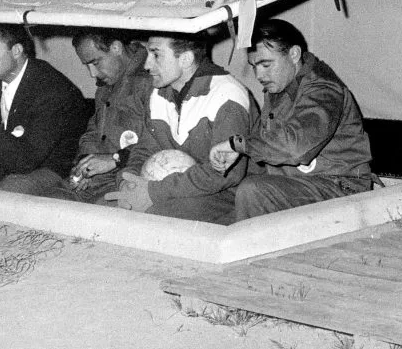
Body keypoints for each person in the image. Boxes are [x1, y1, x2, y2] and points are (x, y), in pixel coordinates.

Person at [208, 20, 372, 221]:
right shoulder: (280, 88)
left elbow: (296, 147)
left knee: (253, 191)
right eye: (254, 67)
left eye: (266, 64)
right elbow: (266, 142)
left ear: (294, 54)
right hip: (301, 185)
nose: (259, 75)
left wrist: (239, 145)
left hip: (342, 188)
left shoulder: (323, 90)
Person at [106, 34, 252, 223]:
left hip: (226, 196)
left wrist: (153, 192)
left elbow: (224, 173)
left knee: (150, 219)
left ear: (186, 59)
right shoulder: (158, 92)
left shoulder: (228, 96)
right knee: (106, 211)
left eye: (156, 54)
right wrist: (130, 181)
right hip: (175, 191)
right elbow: (145, 148)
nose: (146, 65)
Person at [0, 25, 89, 195]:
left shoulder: (51, 90)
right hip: (9, 170)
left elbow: (26, 161)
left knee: (7, 190)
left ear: (16, 51)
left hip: (53, 173)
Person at [51, 30, 152, 203]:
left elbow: (157, 141)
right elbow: (92, 132)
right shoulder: (105, 88)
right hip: (95, 181)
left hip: (125, 180)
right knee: (44, 202)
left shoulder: (151, 82)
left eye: (96, 62)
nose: (92, 73)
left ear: (116, 47)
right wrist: (84, 166)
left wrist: (116, 159)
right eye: (87, 65)